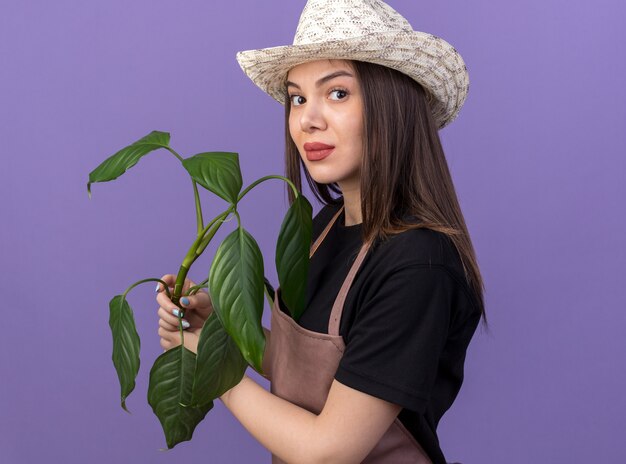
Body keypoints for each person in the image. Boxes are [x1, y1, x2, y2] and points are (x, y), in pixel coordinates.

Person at [156, 1, 486, 463]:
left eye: (337, 93)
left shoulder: (419, 264)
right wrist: (218, 331)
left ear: (393, 104)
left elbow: (326, 452)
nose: (308, 119)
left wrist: (214, 370)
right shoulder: (321, 229)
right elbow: (302, 369)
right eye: (297, 97)